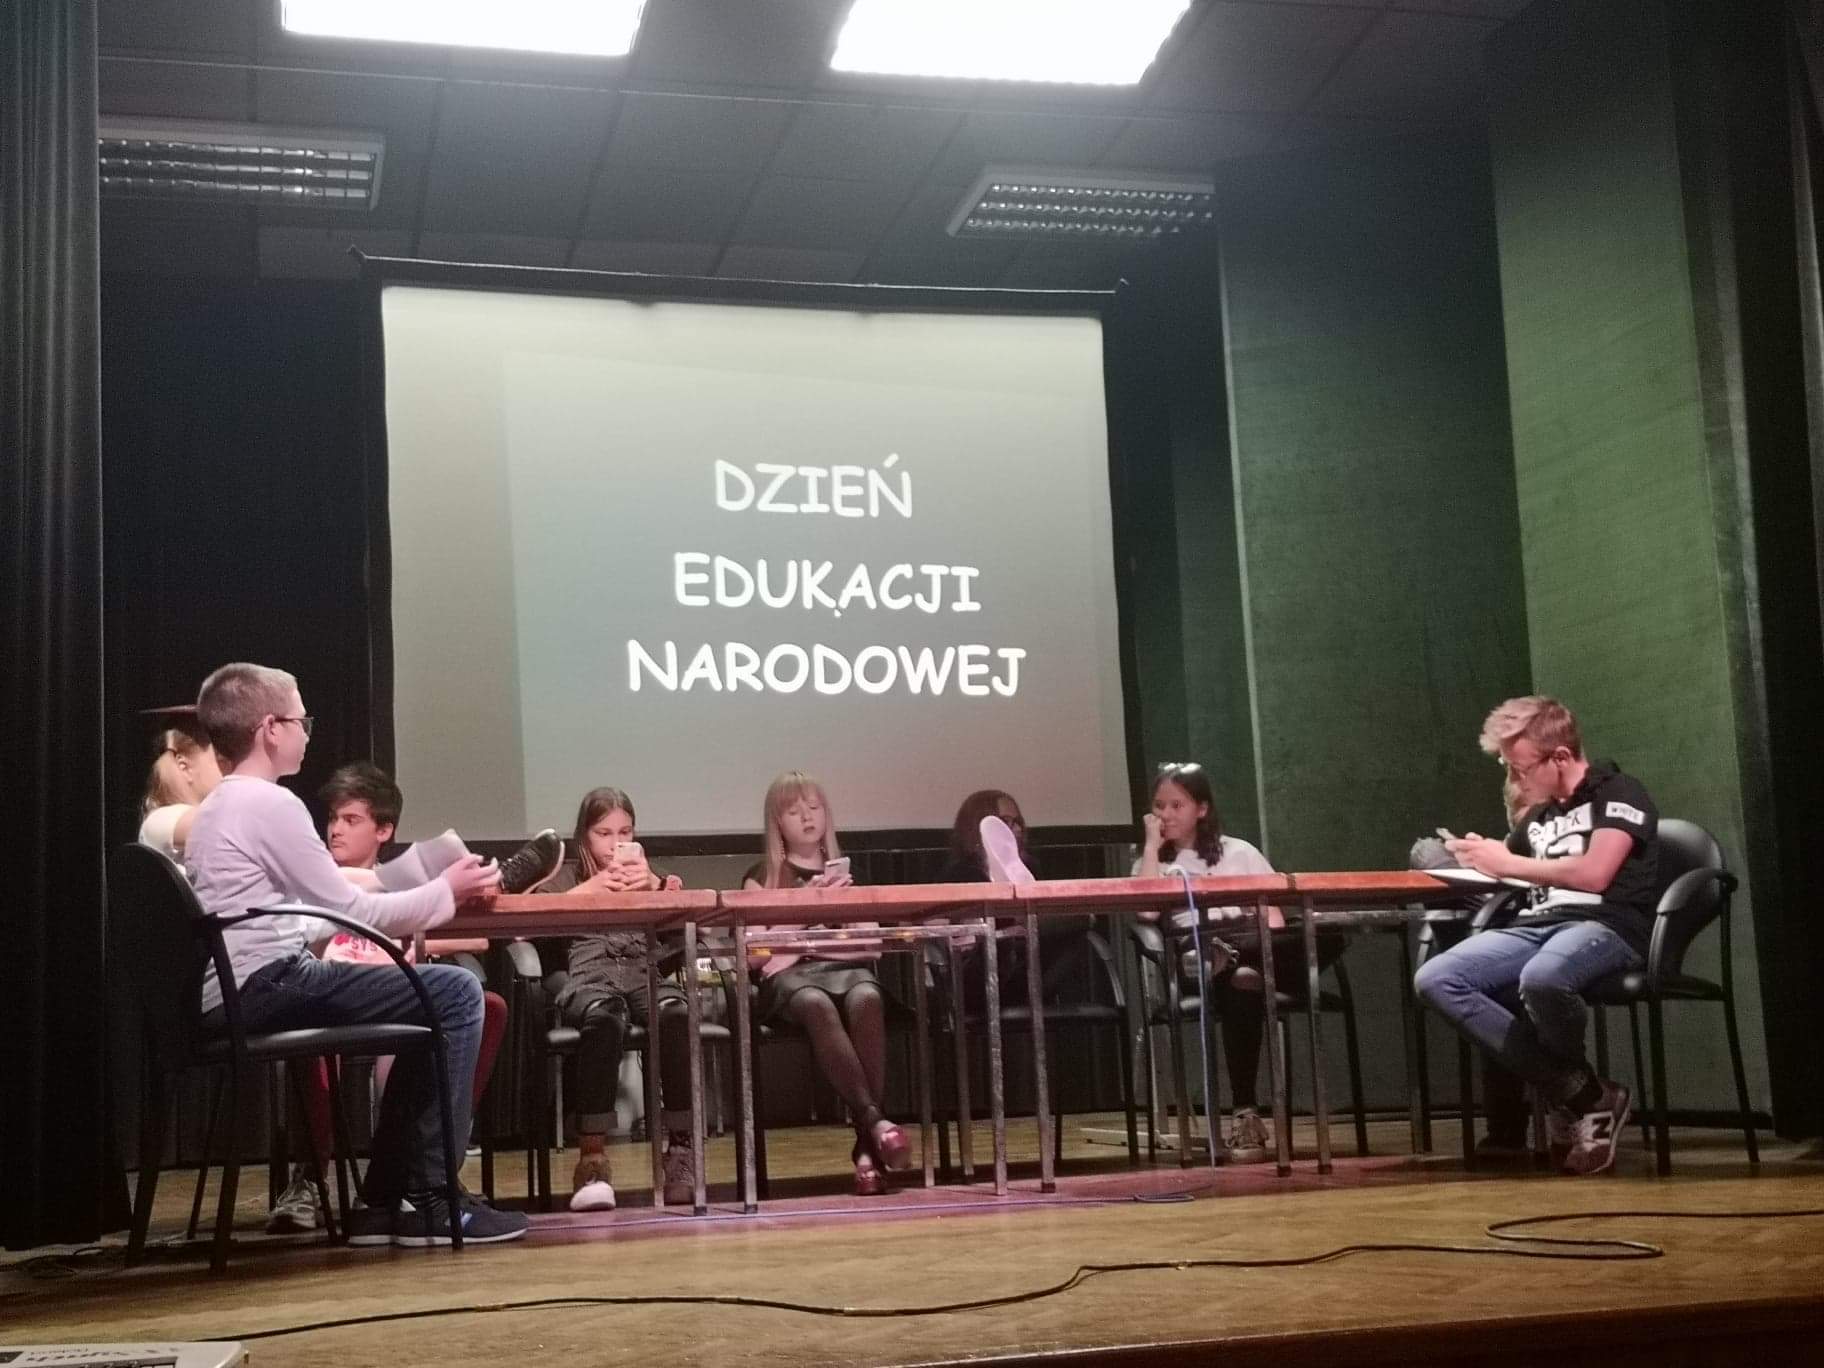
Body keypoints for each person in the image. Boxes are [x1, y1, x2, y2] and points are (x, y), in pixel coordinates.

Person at [183, 661, 527, 1245]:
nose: (306, 732)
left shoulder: (222, 805)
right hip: (264, 984)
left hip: (241, 987)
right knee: (457, 992)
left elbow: (303, 909)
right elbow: (351, 909)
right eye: (301, 720)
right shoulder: (269, 804)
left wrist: (422, 886)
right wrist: (446, 891)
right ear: (270, 729)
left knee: (434, 998)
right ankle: (430, 1198)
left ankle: (383, 1202)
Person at [266, 763, 528, 1234]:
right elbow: (301, 943)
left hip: (394, 994)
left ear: (383, 830)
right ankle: (310, 1178)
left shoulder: (401, 883)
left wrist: (417, 941)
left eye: (350, 819)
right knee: (314, 1038)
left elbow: (471, 935)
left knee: (481, 1009)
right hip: (331, 994)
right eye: (333, 818)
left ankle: (415, 1174)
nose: (335, 829)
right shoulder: (312, 878)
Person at [1415, 696, 1658, 1176]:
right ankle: (1586, 1094)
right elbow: (1511, 866)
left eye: (1520, 769)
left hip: (1606, 924)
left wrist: (1509, 862)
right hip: (1537, 925)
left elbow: (1595, 874)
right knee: (1437, 978)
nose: (1515, 780)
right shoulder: (1540, 817)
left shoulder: (1619, 792)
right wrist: (1476, 855)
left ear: (1560, 757)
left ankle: (1578, 1103)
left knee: (1543, 978)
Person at [1132, 762, 1341, 1165]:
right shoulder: (1153, 862)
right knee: (1239, 974)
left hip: (1251, 949)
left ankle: (1230, 960)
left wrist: (1252, 944)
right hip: (1194, 957)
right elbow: (1144, 911)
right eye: (1159, 806)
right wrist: (1151, 848)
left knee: (1319, 938)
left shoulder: (1240, 851)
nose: (1166, 814)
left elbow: (1274, 920)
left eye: (1177, 805)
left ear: (1202, 809)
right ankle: (1245, 1112)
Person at [743, 771, 910, 1195]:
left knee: (867, 995)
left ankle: (867, 1146)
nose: (807, 817)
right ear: (776, 823)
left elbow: (871, 946)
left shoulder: (848, 875)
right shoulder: (762, 877)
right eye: (794, 811)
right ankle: (876, 1124)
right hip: (792, 984)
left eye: (814, 808)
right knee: (815, 1001)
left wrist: (818, 930)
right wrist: (807, 910)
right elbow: (756, 956)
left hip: (845, 972)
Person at [540, 786, 697, 1211]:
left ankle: (681, 1152)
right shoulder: (566, 878)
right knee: (604, 1020)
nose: (614, 843)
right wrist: (591, 889)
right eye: (604, 833)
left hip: (643, 972)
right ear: (585, 835)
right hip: (590, 977)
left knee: (677, 1014)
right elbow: (532, 918)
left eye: (624, 832)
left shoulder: (649, 875)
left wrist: (657, 889)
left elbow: (683, 939)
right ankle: (592, 1158)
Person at [137, 720, 222, 865]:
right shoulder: (159, 820)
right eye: (220, 758)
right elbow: (222, 823)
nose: (231, 765)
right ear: (184, 767)